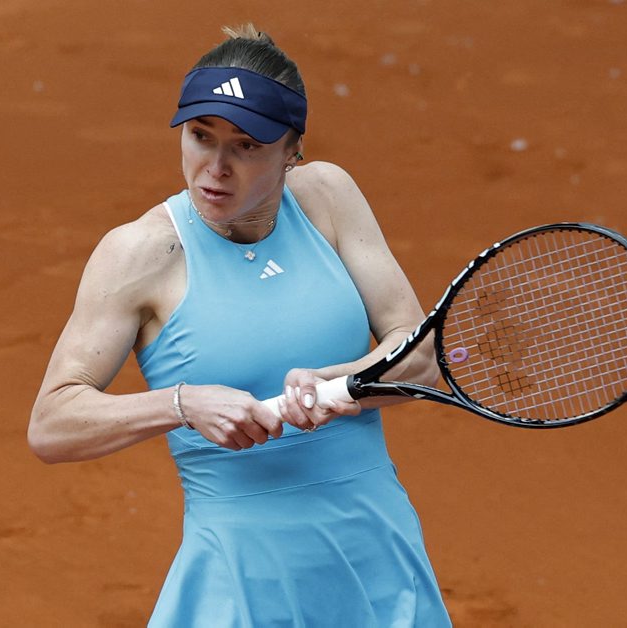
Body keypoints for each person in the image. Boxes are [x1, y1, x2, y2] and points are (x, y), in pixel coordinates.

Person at [28, 24, 452, 627]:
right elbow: (53, 424)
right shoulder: (140, 254)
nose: (216, 167)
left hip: (376, 555)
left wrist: (335, 385)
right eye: (200, 136)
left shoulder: (328, 197)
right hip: (240, 577)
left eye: (246, 146)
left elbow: (420, 356)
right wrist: (183, 403)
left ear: (291, 150)